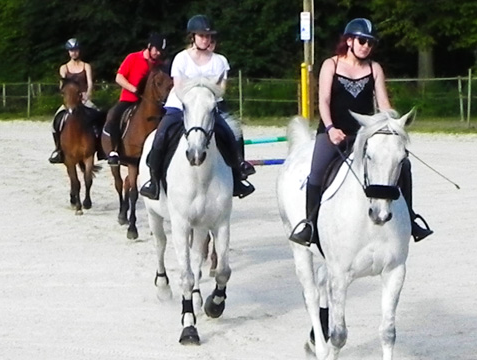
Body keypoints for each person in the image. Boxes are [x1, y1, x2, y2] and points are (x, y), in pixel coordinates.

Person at [287, 18, 432, 246]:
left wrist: (393, 124)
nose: (366, 46)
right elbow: (323, 101)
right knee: (316, 172)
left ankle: (412, 219)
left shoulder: (374, 69)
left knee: (403, 165)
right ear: (350, 41)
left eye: (370, 43)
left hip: (365, 135)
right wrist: (331, 128)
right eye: (362, 41)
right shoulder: (330, 65)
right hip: (333, 133)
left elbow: (383, 104)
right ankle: (310, 225)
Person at [139, 15, 255, 200]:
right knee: (161, 135)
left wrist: (204, 98)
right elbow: (178, 87)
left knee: (233, 132)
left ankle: (238, 175)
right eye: (201, 36)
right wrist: (194, 98)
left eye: (208, 36)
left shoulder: (219, 61)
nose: (205, 39)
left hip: (209, 106)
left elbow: (221, 89)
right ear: (192, 37)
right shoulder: (181, 59)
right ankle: (153, 180)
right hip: (180, 105)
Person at [102, 33, 169, 165]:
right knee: (115, 116)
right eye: (156, 50)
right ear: (149, 47)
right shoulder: (133, 58)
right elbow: (119, 77)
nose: (158, 53)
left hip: (152, 103)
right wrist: (133, 89)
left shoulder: (159, 65)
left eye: (161, 51)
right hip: (129, 98)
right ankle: (114, 150)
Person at [49, 38, 99, 163]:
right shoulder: (64, 68)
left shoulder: (86, 66)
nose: (74, 53)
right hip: (71, 100)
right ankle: (58, 149)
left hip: (83, 99)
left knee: (98, 117)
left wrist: (87, 94)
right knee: (55, 123)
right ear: (68, 52)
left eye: (75, 50)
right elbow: (62, 85)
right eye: (71, 51)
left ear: (79, 51)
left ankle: (100, 146)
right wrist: (68, 96)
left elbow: (90, 83)